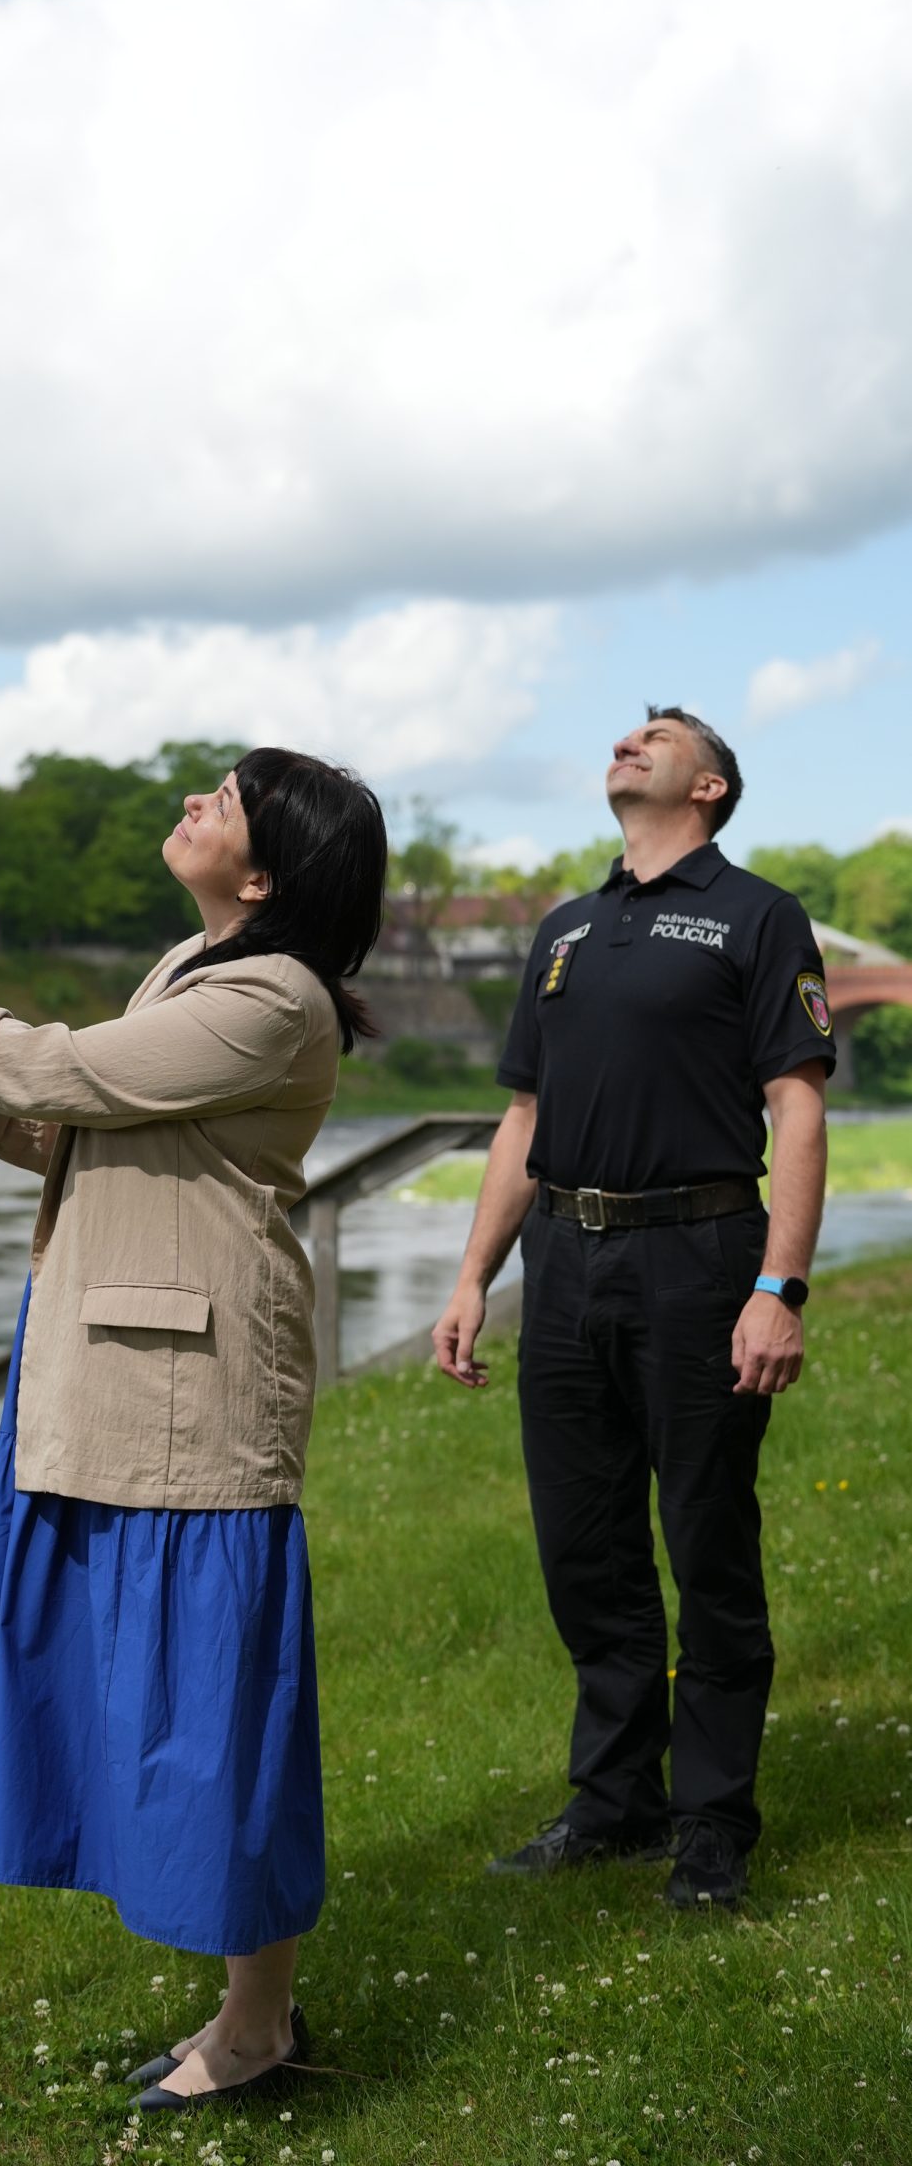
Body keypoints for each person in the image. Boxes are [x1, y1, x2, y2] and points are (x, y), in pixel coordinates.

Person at [0, 749, 386, 2114]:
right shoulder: (194, 968)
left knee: (213, 1715)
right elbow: (97, 1124)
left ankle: (257, 2029)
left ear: (262, 878)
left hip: (192, 1388)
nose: (194, 801)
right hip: (111, 1367)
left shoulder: (273, 994)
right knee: (158, 1698)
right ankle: (248, 2007)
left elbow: (76, 1071)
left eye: (225, 799)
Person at [432, 707, 833, 1909]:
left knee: (707, 1542)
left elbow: (798, 1107)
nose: (629, 740)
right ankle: (615, 1803)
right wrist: (474, 1275)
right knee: (585, 1547)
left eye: (659, 734)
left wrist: (778, 1286)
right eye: (626, 731)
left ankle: (712, 1823)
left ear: (709, 786)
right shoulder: (565, 928)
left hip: (699, 1256)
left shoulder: (757, 915)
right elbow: (523, 1117)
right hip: (563, 1260)